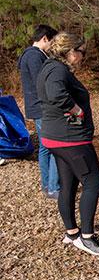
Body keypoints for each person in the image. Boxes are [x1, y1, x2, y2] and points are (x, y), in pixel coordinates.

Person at [36, 32, 99, 255]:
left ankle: (71, 233)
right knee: (94, 182)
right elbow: (56, 95)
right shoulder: (58, 70)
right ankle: (87, 237)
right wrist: (76, 110)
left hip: (55, 137)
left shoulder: (49, 67)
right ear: (71, 52)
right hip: (70, 139)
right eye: (81, 51)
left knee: (68, 185)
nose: (83, 56)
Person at [17, 24, 60, 199]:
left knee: (45, 147)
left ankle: (47, 184)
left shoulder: (31, 55)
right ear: (44, 39)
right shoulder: (34, 56)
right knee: (54, 146)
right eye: (52, 42)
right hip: (42, 107)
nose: (53, 46)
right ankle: (53, 187)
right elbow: (42, 82)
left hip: (37, 106)